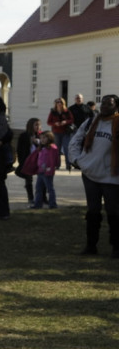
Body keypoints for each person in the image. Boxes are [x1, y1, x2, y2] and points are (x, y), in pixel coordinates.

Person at [68, 94, 119, 256]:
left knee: (114, 212)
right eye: (103, 103)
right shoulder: (91, 122)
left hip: (112, 175)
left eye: (109, 104)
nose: (104, 106)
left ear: (116, 106)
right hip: (90, 173)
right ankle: (91, 245)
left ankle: (116, 247)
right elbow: (75, 141)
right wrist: (77, 160)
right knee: (93, 211)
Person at [16, 117, 43, 205]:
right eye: (36, 125)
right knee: (28, 179)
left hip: (39, 159)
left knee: (42, 179)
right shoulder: (24, 136)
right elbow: (20, 150)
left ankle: (43, 198)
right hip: (28, 160)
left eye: (39, 125)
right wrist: (22, 162)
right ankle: (30, 197)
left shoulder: (41, 135)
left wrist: (37, 141)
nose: (38, 127)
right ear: (31, 126)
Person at [31, 130, 59, 209]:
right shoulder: (42, 147)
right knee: (38, 188)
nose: (42, 140)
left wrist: (49, 169)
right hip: (40, 171)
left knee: (50, 188)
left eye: (44, 138)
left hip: (47, 172)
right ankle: (38, 204)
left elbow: (53, 161)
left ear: (49, 138)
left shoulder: (52, 148)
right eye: (41, 138)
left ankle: (53, 204)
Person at [47, 97, 75, 170]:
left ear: (63, 103)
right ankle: (57, 164)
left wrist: (65, 122)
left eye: (61, 102)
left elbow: (71, 119)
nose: (59, 103)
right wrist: (55, 123)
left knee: (66, 148)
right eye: (58, 102)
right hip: (56, 132)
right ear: (55, 104)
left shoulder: (67, 111)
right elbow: (49, 122)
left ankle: (68, 164)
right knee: (57, 149)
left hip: (65, 132)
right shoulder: (53, 112)